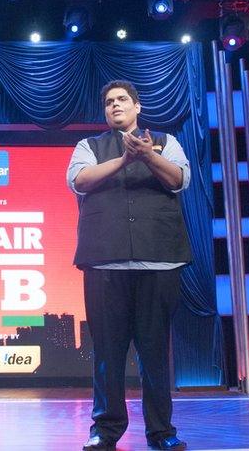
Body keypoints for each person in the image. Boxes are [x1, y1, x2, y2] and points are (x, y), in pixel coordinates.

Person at [67, 80, 192, 451]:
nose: (115, 106)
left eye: (122, 100)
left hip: (159, 262)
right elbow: (78, 180)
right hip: (105, 263)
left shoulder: (166, 142)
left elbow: (180, 178)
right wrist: (124, 159)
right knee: (107, 352)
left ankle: (161, 431)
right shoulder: (88, 146)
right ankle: (105, 429)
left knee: (155, 353)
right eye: (108, 102)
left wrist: (148, 155)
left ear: (137, 107)